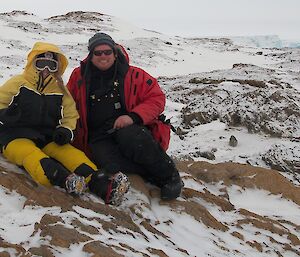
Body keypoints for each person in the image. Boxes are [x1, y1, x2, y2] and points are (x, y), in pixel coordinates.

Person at [0, 42, 129, 205]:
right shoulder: (18, 83)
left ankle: (102, 185)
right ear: (33, 63)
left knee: (71, 154)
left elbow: (70, 116)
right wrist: (5, 115)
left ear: (57, 68)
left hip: (47, 137)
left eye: (51, 65)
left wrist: (66, 130)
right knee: (31, 155)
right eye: (41, 64)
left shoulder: (60, 90)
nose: (45, 69)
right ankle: (64, 180)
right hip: (15, 136)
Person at [67, 33, 183, 200]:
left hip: (129, 127)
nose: (103, 56)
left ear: (115, 53)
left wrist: (133, 117)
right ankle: (150, 175)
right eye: (97, 53)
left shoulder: (135, 75)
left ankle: (169, 176)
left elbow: (156, 98)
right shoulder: (79, 76)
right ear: (91, 55)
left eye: (107, 52)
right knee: (108, 164)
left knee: (134, 138)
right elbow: (67, 101)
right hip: (97, 137)